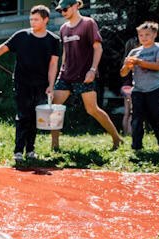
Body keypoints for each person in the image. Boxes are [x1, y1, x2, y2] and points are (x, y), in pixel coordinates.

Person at [0, 5, 61, 162]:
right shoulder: (21, 36)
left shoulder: (53, 40)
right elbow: (2, 49)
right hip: (22, 83)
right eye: (31, 19)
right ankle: (18, 151)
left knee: (35, 117)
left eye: (36, 19)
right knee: (23, 116)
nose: (32, 22)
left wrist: (51, 85)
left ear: (46, 20)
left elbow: (53, 65)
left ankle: (30, 150)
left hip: (42, 84)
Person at [50, 0, 124, 150]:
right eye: (60, 11)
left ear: (75, 6)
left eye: (65, 9)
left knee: (92, 109)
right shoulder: (63, 28)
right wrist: (60, 72)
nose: (63, 12)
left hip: (84, 75)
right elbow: (65, 52)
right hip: (66, 76)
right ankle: (54, 145)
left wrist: (92, 69)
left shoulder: (88, 23)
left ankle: (117, 139)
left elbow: (98, 48)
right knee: (55, 108)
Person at [120, 21, 159, 152]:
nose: (144, 37)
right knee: (136, 118)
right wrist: (127, 66)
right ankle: (137, 147)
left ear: (155, 34)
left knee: (156, 117)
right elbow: (123, 73)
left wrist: (139, 62)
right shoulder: (134, 51)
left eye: (147, 34)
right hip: (138, 90)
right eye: (141, 35)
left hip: (156, 88)